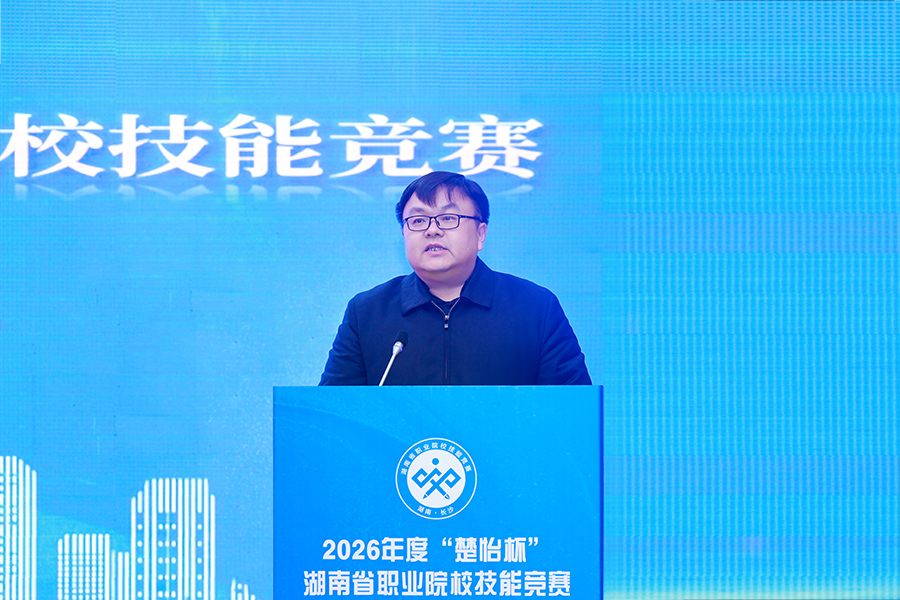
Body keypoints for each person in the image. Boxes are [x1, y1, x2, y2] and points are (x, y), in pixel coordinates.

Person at [319, 171, 591, 386]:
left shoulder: (534, 307)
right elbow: (331, 415)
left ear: (481, 234)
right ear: (404, 234)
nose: (432, 230)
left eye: (448, 218)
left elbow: (573, 412)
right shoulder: (367, 312)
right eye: (418, 220)